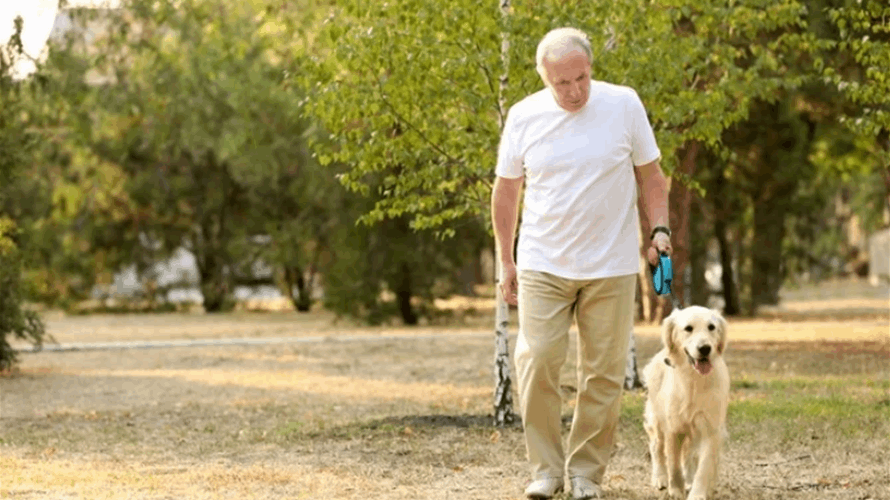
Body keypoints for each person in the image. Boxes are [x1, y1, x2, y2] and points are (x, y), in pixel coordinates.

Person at [490, 27, 672, 499]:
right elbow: (507, 190)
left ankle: (586, 474)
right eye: (562, 83)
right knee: (537, 360)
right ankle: (546, 472)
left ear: (592, 69)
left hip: (610, 265)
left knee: (604, 373)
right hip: (542, 262)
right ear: (543, 78)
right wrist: (505, 259)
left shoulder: (624, 104)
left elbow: (651, 176)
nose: (574, 91)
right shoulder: (524, 115)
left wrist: (660, 230)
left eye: (581, 78)